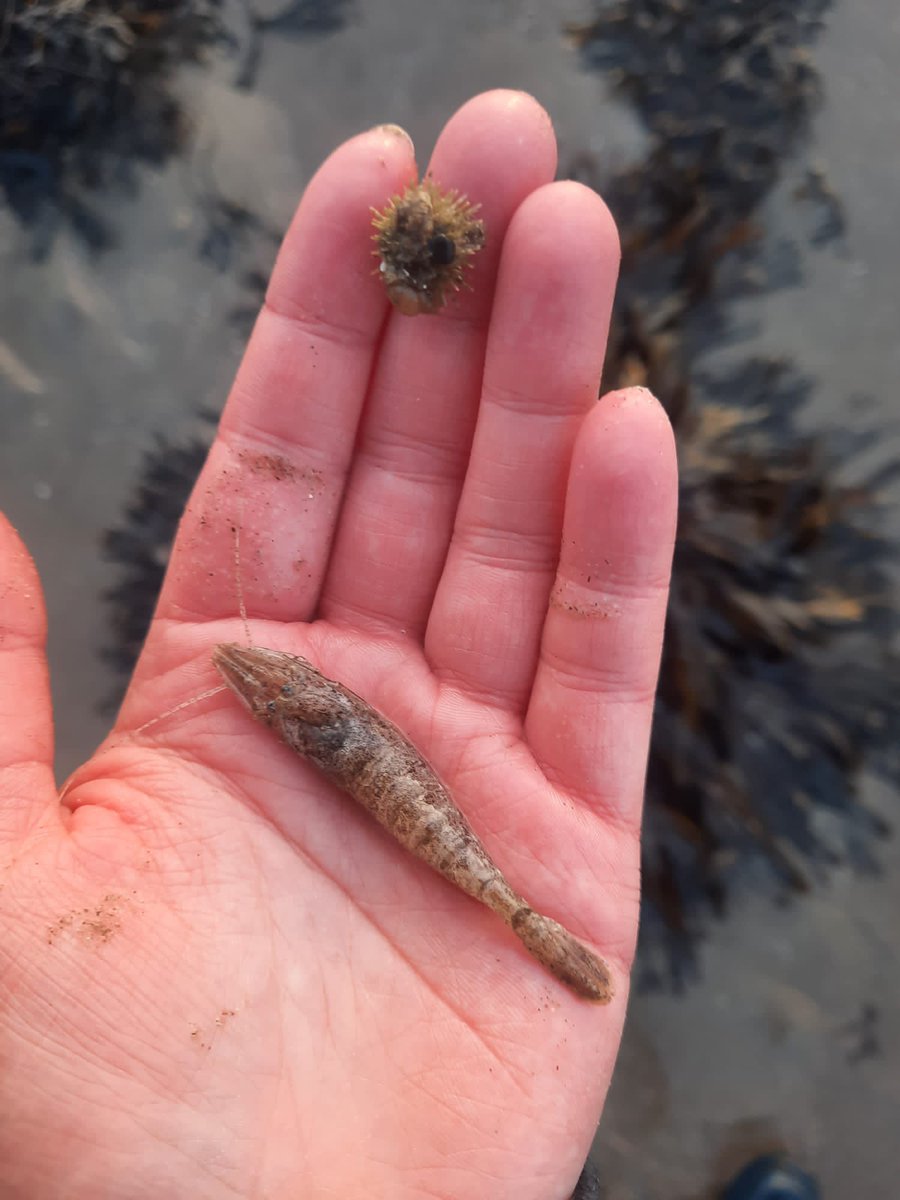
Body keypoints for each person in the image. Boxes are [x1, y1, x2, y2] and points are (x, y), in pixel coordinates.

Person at [0, 91, 678, 1198]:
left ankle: (519, 923)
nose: (268, 692)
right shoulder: (298, 710)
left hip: (404, 801)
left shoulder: (302, 707)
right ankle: (520, 923)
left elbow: (316, 720)